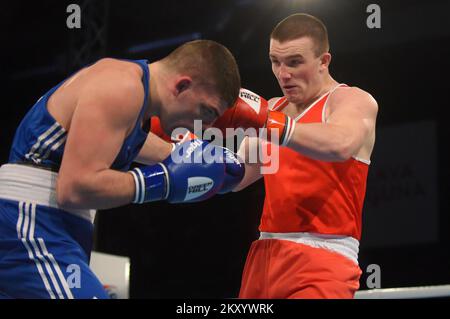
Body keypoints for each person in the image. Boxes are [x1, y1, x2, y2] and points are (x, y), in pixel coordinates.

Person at [0, 39, 244, 299]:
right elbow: (74, 188)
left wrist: (204, 161)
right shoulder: (121, 87)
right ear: (182, 85)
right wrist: (162, 182)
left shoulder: (133, 107)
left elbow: (147, 148)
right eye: (206, 111)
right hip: (29, 222)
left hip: (50, 228)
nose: (205, 126)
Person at [205, 13, 378, 298]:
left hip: (323, 259)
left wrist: (269, 124)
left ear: (324, 61)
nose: (283, 74)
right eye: (275, 61)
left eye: (295, 62)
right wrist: (172, 148)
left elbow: (340, 143)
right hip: (263, 258)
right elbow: (233, 176)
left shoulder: (350, 100)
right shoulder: (272, 109)